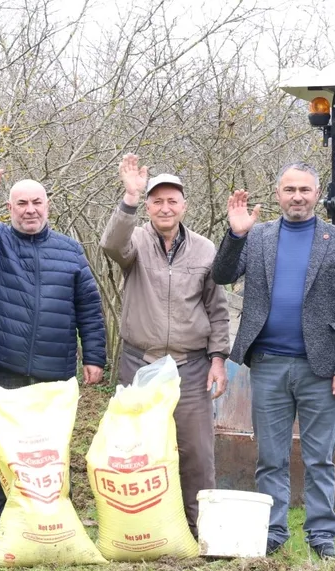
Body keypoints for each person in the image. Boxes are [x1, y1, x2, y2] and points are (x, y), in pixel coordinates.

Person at [212, 162, 335, 559]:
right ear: (278, 194)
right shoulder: (257, 236)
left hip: (322, 368)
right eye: (290, 190)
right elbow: (222, 274)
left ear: (317, 194)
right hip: (268, 364)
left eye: (305, 190)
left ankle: (322, 535)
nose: (297, 197)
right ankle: (272, 531)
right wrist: (235, 234)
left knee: (320, 458)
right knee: (270, 457)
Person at [0, 148, 106, 544]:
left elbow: (89, 307)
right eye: (21, 203)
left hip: (56, 369)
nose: (30, 210)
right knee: (5, 449)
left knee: (52, 450)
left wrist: (94, 356)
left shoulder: (70, 250)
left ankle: (51, 521)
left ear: (47, 206)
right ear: (9, 208)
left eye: (36, 202)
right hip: (5, 365)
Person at [100, 154, 230, 537]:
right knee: (135, 448)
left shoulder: (205, 249)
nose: (165, 207)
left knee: (196, 451)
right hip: (140, 363)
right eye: (156, 201)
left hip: (191, 367)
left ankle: (199, 529)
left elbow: (217, 309)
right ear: (148, 207)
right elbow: (111, 245)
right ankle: (139, 528)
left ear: (184, 206)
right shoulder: (135, 241)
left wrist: (218, 360)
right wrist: (129, 196)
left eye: (172, 201)